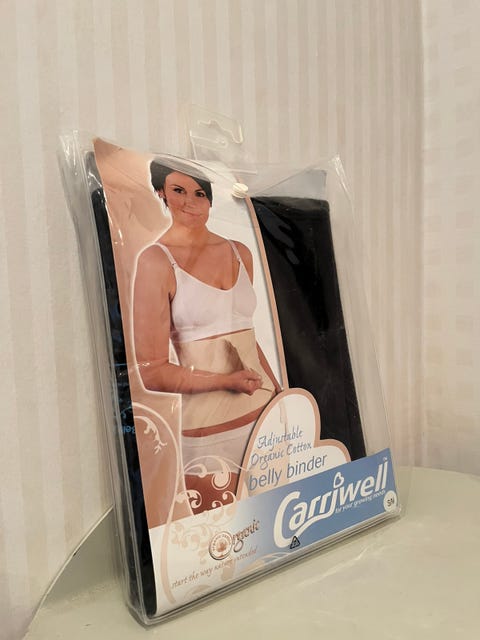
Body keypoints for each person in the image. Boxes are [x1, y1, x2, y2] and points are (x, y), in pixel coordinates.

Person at [133, 160, 279, 514]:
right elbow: (152, 371)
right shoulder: (155, 261)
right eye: (178, 190)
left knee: (280, 529)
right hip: (210, 435)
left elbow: (246, 338)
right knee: (222, 539)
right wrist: (226, 381)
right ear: (161, 193)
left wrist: (281, 396)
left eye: (200, 193)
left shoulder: (239, 251)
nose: (191, 201)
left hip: (267, 418)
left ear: (211, 200)